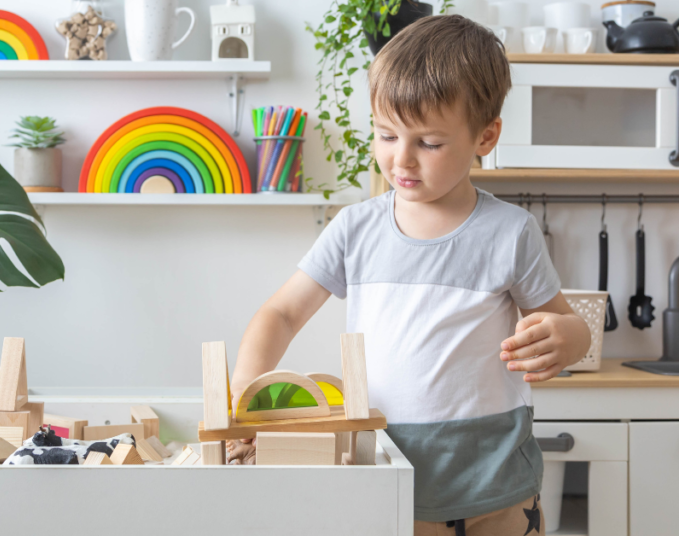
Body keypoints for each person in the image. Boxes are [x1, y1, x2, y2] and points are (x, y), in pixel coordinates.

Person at [227, 15, 591, 535]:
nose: (402, 158)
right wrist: (245, 388)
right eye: (386, 134)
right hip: (389, 483)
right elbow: (282, 313)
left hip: (498, 492)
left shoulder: (511, 232)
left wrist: (566, 338)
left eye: (430, 143)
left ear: (485, 136)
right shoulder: (355, 228)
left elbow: (568, 327)